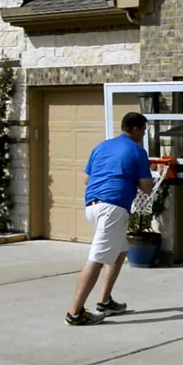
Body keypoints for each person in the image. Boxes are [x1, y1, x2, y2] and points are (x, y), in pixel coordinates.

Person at [65, 112, 154, 326]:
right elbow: (147, 188)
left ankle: (105, 301)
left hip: (92, 206)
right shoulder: (137, 151)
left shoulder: (102, 147)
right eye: (143, 130)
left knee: (120, 250)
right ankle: (75, 313)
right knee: (96, 258)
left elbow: (86, 178)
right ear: (134, 129)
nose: (144, 134)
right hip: (112, 209)